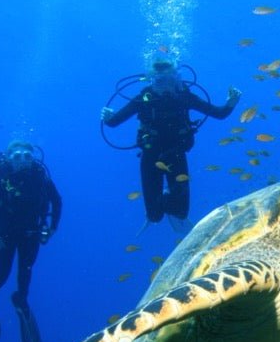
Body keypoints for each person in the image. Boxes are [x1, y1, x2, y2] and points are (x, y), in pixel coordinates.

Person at [101, 60, 241, 228]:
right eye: (159, 80)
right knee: (154, 217)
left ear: (176, 79)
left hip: (177, 153)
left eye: (168, 80)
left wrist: (231, 103)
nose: (163, 86)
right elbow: (114, 122)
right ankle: (160, 202)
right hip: (150, 154)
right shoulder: (143, 99)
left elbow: (219, 114)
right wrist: (108, 118)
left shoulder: (185, 98)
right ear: (151, 80)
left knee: (181, 213)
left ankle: (166, 196)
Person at [0, 141, 61, 342]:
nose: (22, 160)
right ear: (8, 159)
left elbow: (57, 201)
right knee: (1, 276)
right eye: (17, 156)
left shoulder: (41, 178)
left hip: (31, 235)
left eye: (27, 156)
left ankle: (21, 300)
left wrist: (52, 228)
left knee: (26, 271)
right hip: (4, 238)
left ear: (33, 158)